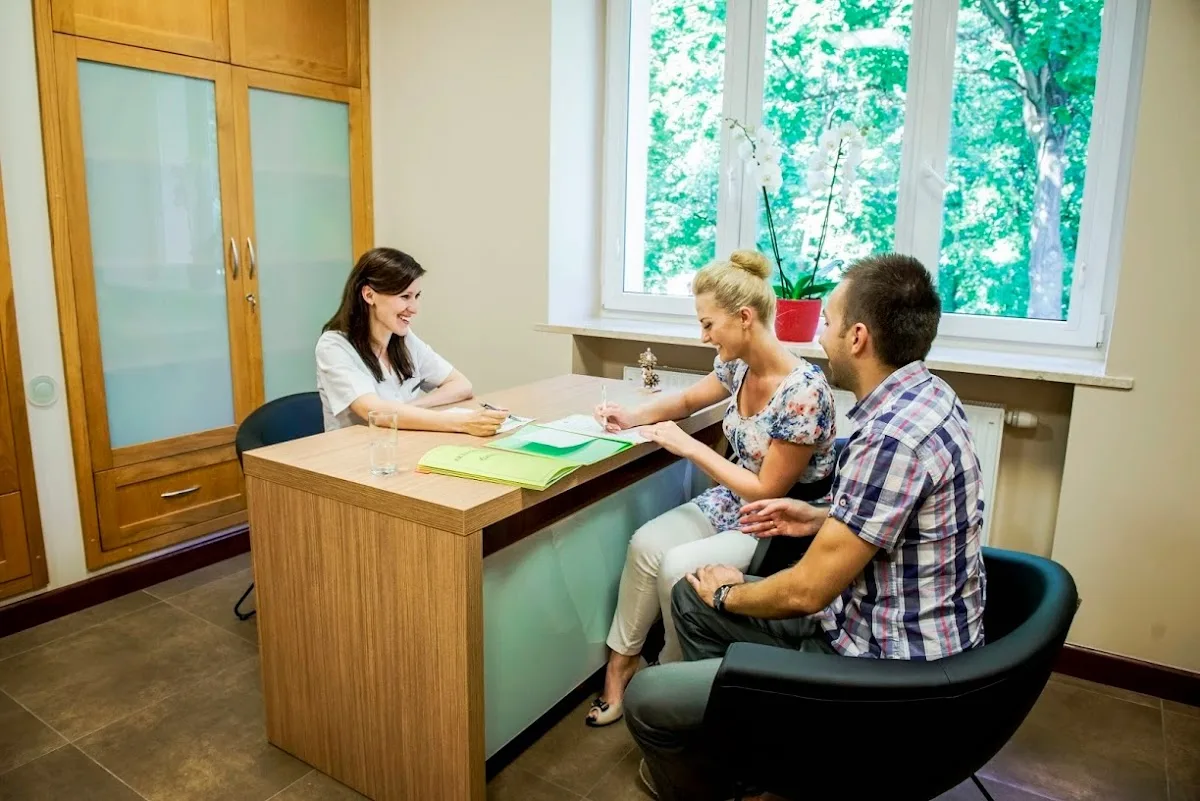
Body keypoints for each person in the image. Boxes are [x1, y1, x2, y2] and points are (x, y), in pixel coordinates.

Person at [623, 253, 988, 801]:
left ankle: (756, 764)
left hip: (885, 667)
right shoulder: (929, 398)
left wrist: (728, 591)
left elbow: (804, 591)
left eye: (829, 322)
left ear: (858, 337)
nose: (820, 333)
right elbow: (899, 523)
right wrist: (821, 517)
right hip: (883, 628)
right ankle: (755, 754)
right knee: (688, 598)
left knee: (651, 695)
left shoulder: (890, 437)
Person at [585, 249, 837, 727]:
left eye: (708, 325)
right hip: (732, 499)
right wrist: (633, 414)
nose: (702, 337)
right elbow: (684, 399)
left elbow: (767, 489)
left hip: (777, 517)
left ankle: (675, 685)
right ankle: (622, 666)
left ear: (744, 318)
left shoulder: (803, 391)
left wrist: (689, 447)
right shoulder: (739, 366)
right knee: (645, 545)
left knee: (679, 569)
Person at [316, 247, 508, 435]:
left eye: (416, 296)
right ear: (369, 295)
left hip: (401, 444)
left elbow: (461, 385)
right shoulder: (334, 346)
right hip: (354, 456)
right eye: (405, 297)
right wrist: (463, 423)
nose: (414, 308)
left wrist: (410, 408)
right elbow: (373, 412)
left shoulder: (403, 338)